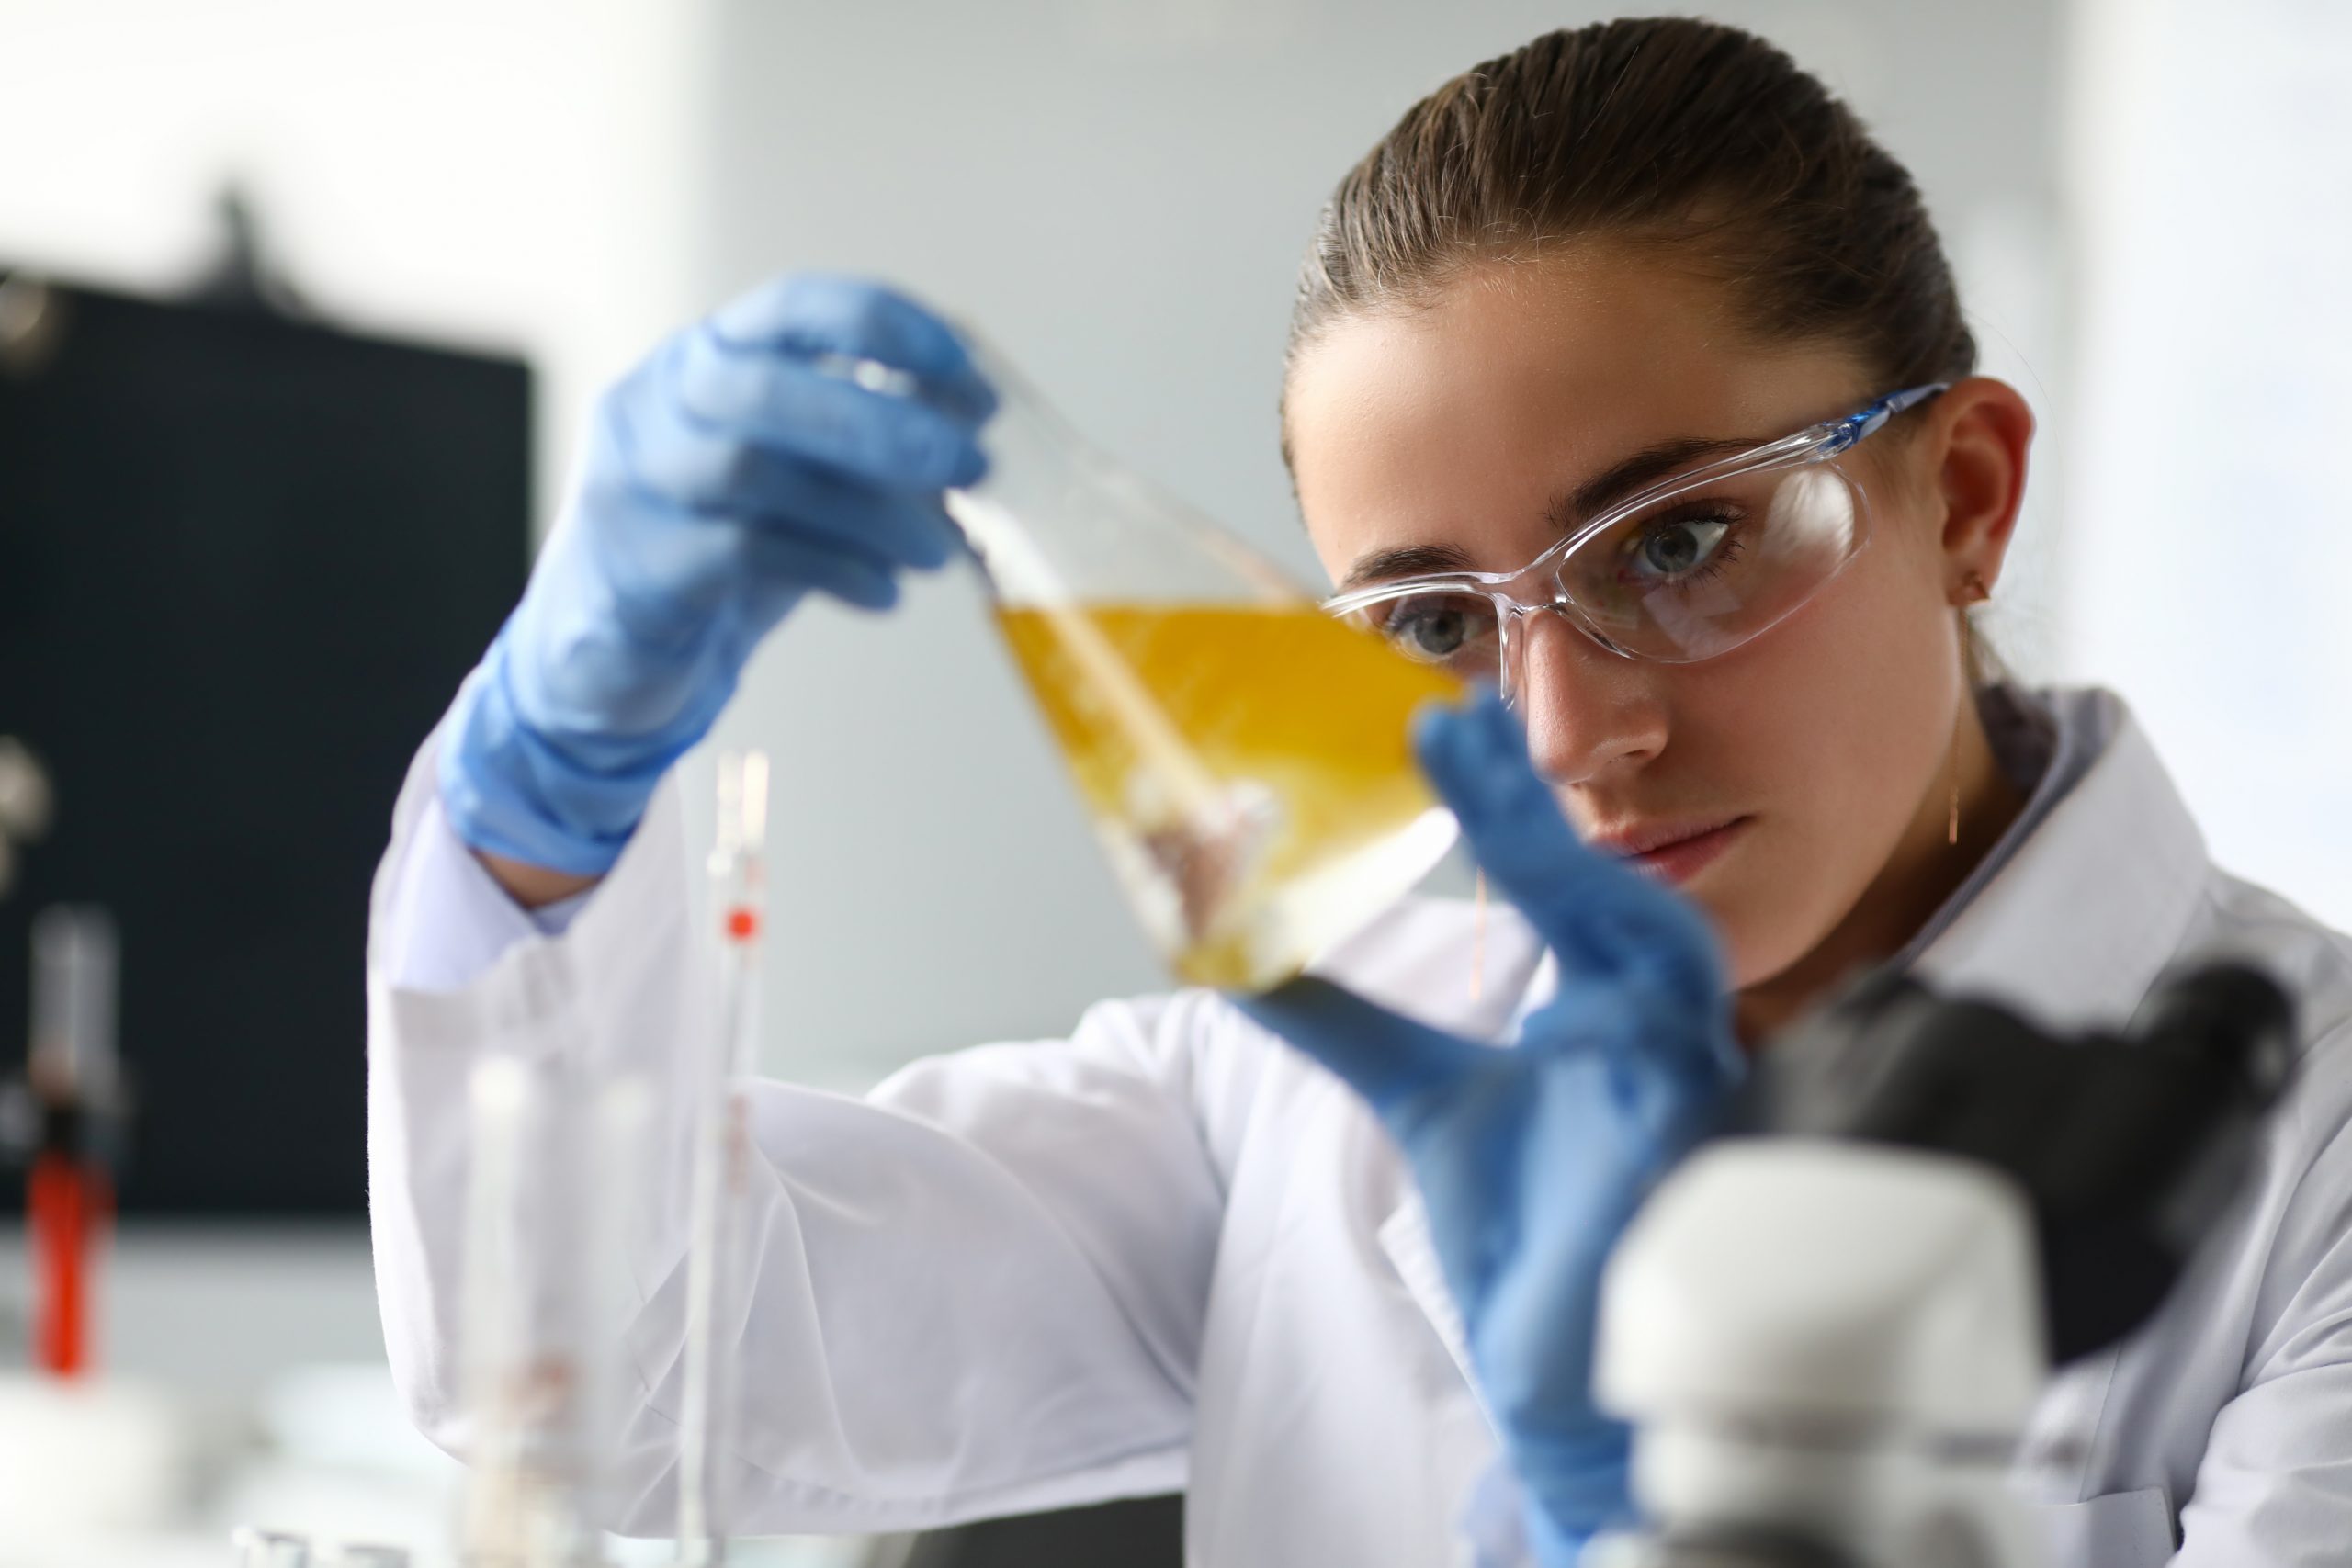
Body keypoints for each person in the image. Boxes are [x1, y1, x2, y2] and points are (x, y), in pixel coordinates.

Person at [368, 17, 2352, 1567]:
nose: (1570, 730)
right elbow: (607, 1371)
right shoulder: (1323, 1078)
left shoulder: (2315, 1169)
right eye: (1429, 626)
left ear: (1966, 494)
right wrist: (555, 782)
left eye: (1673, 545)